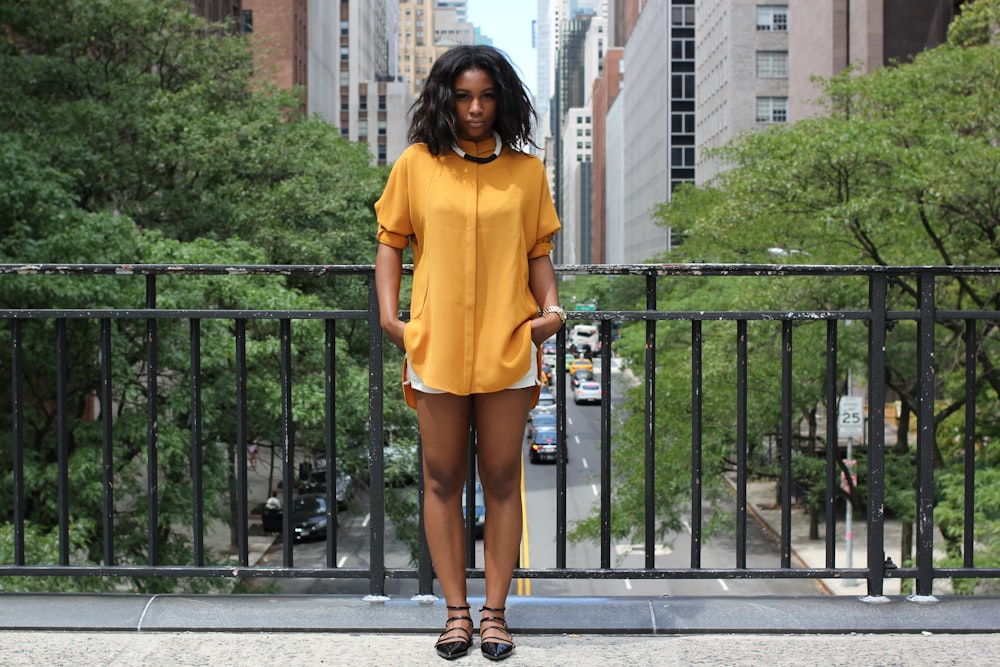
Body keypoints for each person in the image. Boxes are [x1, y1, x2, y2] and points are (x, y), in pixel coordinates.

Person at [374, 45, 564, 662]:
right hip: (436, 346)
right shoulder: (416, 164)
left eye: (486, 96)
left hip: (510, 345)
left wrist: (552, 312)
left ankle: (496, 616)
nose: (476, 108)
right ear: (445, 100)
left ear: (501, 99)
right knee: (440, 478)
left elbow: (538, 253)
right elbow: (391, 243)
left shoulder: (527, 172)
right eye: (463, 96)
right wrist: (390, 318)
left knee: (504, 479)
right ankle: (455, 614)